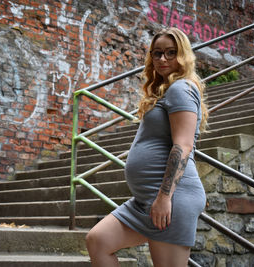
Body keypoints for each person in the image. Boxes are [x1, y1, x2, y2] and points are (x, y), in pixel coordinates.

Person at [85, 27, 208, 267]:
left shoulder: (181, 88)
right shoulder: (165, 91)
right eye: (157, 53)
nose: (163, 59)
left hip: (171, 196)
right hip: (145, 199)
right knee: (98, 241)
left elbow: (183, 145)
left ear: (183, 56)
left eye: (171, 53)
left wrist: (164, 197)